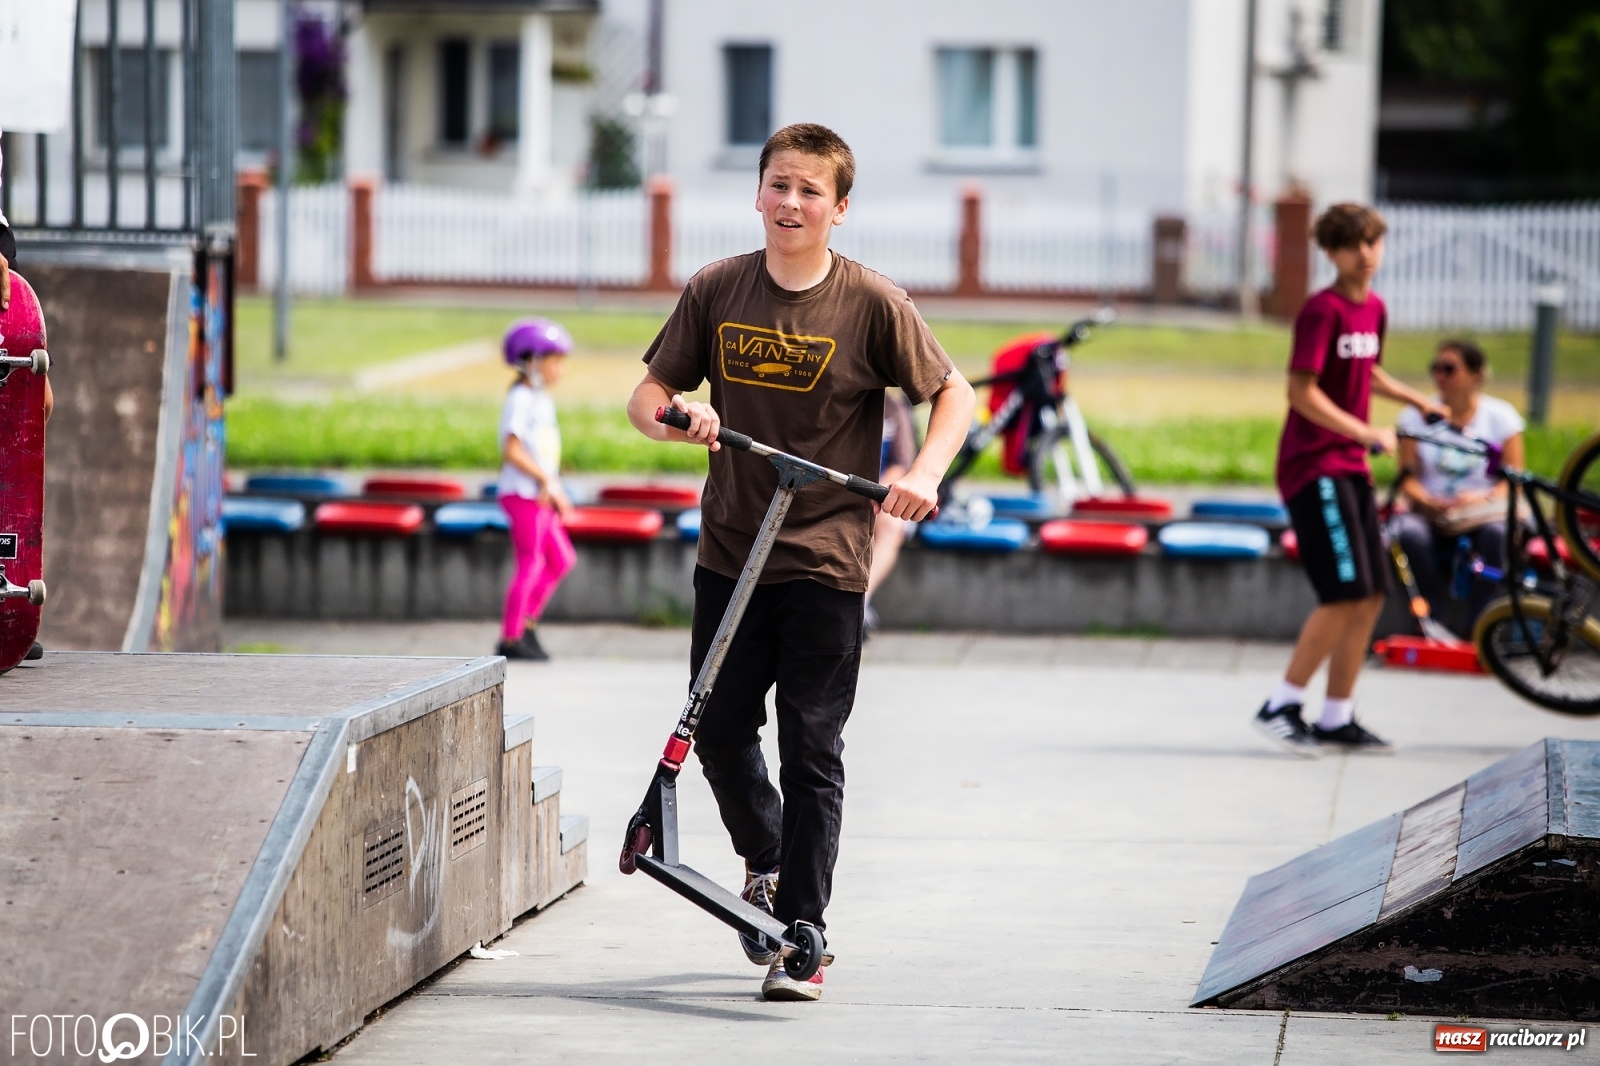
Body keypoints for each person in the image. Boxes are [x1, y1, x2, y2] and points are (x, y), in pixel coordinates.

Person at [626, 123, 974, 1001]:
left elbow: (954, 393)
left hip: (825, 556)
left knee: (811, 747)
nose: (792, 202)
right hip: (731, 552)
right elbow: (644, 395)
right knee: (718, 730)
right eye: (779, 185)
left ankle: (804, 933)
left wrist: (921, 473)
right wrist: (680, 415)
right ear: (758, 194)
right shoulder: (717, 288)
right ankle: (770, 861)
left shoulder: (871, 304)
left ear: (840, 209)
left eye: (811, 191)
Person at [1252, 203, 1447, 757]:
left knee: (1372, 593)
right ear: (1332, 253)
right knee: (1343, 591)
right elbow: (1301, 391)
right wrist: (1364, 430)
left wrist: (1413, 401)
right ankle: (1281, 705)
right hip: (1315, 467)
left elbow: (1366, 367)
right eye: (1352, 246)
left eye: (1373, 243)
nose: (1365, 255)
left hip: (1349, 466)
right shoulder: (1322, 311)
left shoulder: (1373, 310)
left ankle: (1336, 716)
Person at [1393, 340, 1525, 628]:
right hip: (1432, 514)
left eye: (1450, 369)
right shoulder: (1416, 417)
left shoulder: (1501, 418)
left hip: (1480, 515)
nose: (1440, 376)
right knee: (1409, 533)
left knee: (1496, 534)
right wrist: (1430, 501)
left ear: (1476, 375)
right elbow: (1407, 480)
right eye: (1435, 369)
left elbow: (1512, 482)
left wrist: (1476, 500)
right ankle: (1433, 620)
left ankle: (1480, 626)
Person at [495, 318, 577, 662]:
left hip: (540, 495)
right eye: (553, 361)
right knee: (531, 562)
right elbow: (512, 450)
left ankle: (526, 623)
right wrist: (546, 481)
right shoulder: (521, 398)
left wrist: (555, 486)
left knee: (561, 558)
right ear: (530, 360)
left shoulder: (540, 399)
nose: (559, 369)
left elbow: (541, 451)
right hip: (523, 494)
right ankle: (512, 638)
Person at [864, 390, 919, 634]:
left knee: (891, 525)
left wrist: (875, 492)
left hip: (881, 493)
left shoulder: (893, 408)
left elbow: (901, 463)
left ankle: (861, 599)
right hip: (840, 493)